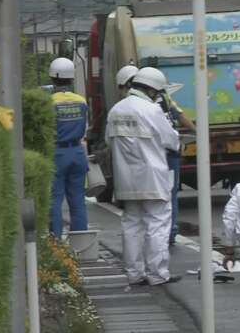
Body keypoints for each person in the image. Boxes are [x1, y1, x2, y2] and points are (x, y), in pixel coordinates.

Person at [105, 67, 182, 286]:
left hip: (125, 179)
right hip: (152, 177)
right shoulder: (151, 110)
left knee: (131, 225)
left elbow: (108, 142)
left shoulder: (116, 110)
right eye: (157, 92)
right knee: (157, 224)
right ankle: (157, 274)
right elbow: (170, 140)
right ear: (150, 89)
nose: (158, 96)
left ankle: (134, 273)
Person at [48, 57, 89, 238]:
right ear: (71, 79)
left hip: (57, 153)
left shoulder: (49, 102)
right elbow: (85, 128)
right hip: (77, 152)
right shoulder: (81, 101)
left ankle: (56, 244)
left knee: (55, 201)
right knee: (78, 201)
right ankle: (80, 242)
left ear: (52, 78)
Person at [154, 92, 196, 245]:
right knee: (170, 194)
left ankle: (160, 233)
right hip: (170, 154)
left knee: (153, 196)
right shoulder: (165, 98)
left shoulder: (136, 102)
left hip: (153, 154)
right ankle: (169, 233)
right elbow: (180, 116)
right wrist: (197, 131)